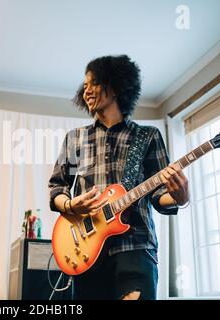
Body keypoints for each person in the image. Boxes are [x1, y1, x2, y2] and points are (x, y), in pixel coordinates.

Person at [48, 55, 189, 300]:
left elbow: (159, 196)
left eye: (93, 83)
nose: (86, 91)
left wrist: (179, 197)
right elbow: (57, 187)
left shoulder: (148, 136)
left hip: (136, 246)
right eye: (85, 85)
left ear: (114, 86)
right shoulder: (75, 138)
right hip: (87, 252)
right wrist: (70, 205)